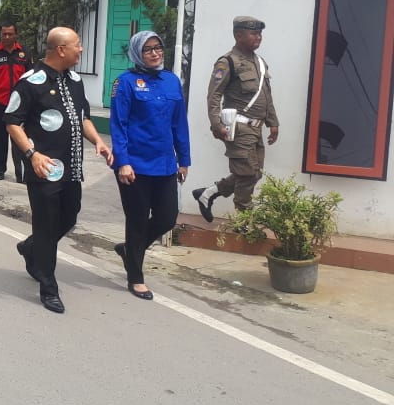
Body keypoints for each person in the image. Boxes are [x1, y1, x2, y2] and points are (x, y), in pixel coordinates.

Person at [6, 27, 113, 314]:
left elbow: (83, 117)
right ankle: (48, 286)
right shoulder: (30, 82)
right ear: (61, 49)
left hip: (72, 167)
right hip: (44, 169)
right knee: (46, 224)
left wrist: (98, 141)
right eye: (77, 45)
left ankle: (32, 248)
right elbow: (12, 122)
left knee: (69, 216)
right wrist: (32, 155)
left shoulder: (75, 80)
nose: (81, 50)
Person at [109, 31, 190, 300]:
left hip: (165, 163)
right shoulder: (125, 82)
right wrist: (123, 162)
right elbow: (118, 126)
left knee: (167, 217)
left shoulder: (171, 81)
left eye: (158, 48)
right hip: (135, 165)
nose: (155, 53)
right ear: (137, 53)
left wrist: (184, 159)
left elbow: (179, 123)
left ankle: (129, 250)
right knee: (137, 221)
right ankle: (136, 277)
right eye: (148, 49)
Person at [192, 16, 278, 222]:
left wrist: (273, 122)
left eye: (260, 34)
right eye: (254, 33)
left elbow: (267, 95)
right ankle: (244, 221)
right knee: (247, 174)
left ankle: (208, 193)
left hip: (256, 128)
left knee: (254, 173)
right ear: (239, 35)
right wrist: (216, 124)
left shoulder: (260, 62)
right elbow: (214, 95)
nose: (259, 37)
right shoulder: (227, 62)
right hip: (238, 128)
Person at [0, 23, 33, 182]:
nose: (7, 37)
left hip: (20, 103)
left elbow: (30, 77)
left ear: (16, 35)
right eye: (4, 34)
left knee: (20, 138)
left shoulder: (24, 53)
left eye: (10, 34)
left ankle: (21, 173)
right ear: (1, 35)